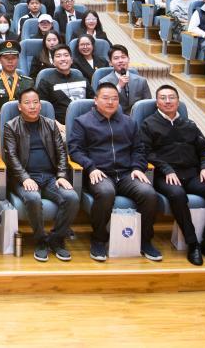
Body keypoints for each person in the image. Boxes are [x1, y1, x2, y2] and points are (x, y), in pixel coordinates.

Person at [68, 83, 161, 263]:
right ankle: (99, 239)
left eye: (114, 98)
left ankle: (145, 240)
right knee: (106, 192)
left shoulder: (129, 122)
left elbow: (139, 149)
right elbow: (75, 151)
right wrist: (90, 167)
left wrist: (137, 167)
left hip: (126, 173)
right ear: (95, 100)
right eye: (105, 98)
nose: (110, 102)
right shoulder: (83, 122)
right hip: (99, 172)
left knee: (148, 193)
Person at [139, 85, 205, 267]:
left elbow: (204, 150)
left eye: (172, 97)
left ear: (178, 101)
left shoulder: (189, 125)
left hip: (192, 174)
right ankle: (192, 243)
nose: (168, 101)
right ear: (157, 103)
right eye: (163, 98)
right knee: (177, 194)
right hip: (166, 175)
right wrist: (167, 169)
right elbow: (146, 153)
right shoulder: (149, 124)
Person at [3, 88, 79, 262]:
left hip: (51, 177)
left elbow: (62, 152)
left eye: (35, 102)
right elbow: (11, 157)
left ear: (40, 105)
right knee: (33, 198)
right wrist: (25, 178)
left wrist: (61, 175)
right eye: (27, 103)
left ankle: (56, 239)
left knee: (72, 198)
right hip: (25, 178)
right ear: (19, 106)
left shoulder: (51, 124)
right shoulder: (11, 126)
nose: (32, 106)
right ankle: (41, 240)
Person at [0, 40, 34, 132]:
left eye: (13, 57)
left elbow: (32, 106)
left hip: (25, 127)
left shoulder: (28, 82)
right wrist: (3, 125)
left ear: (18, 59)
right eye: (6, 58)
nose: (10, 61)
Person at [98, 45, 151, 114]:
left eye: (123, 57)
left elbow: (147, 105)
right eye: (116, 58)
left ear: (128, 59)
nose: (120, 61)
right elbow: (104, 105)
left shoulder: (141, 81)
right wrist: (119, 87)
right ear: (110, 62)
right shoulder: (104, 82)